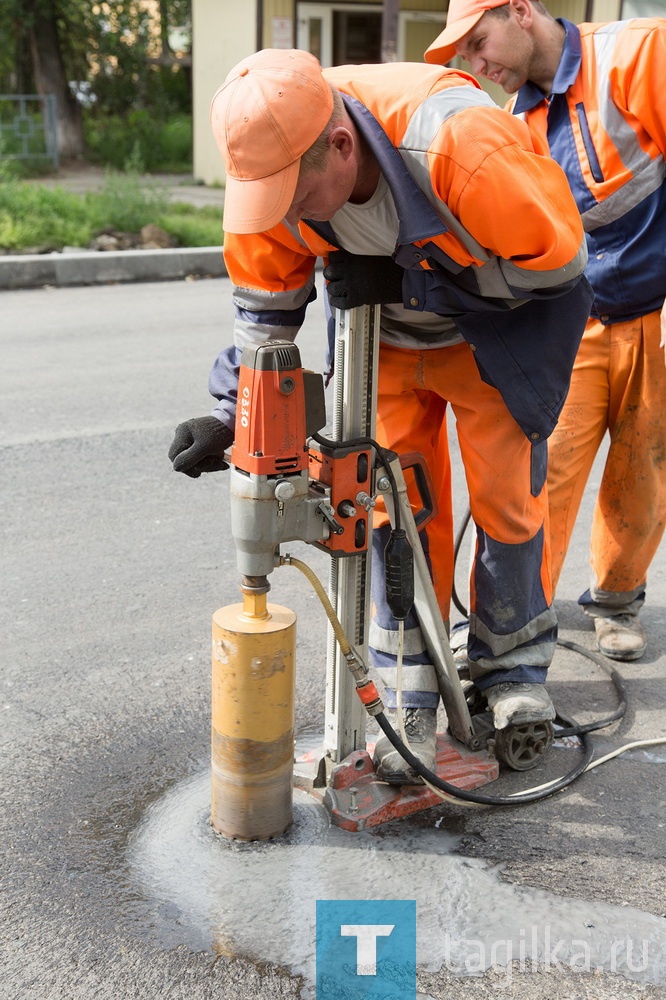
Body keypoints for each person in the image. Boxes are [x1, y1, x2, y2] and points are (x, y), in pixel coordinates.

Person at [169, 47, 593, 783]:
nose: (286, 217)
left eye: (296, 200)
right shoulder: (274, 167)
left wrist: (414, 272)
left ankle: (513, 674)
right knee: (395, 507)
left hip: (492, 330)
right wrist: (231, 417)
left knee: (508, 503)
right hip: (384, 346)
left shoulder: (463, 148)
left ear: (339, 147)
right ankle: (410, 698)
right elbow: (265, 321)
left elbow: (554, 268)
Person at [425, 2, 666, 662]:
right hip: (574, 321)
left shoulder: (640, 55)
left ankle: (617, 599)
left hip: (656, 314)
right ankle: (511, 629)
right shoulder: (513, 124)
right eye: (467, 58)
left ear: (521, 11)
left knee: (644, 468)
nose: (479, 65)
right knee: (539, 474)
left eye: (480, 43)